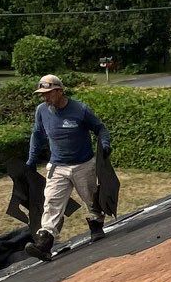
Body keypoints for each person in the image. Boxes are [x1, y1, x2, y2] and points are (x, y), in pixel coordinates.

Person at [26, 75, 112, 257]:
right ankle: (45, 241)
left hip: (84, 165)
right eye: (42, 94)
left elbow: (100, 128)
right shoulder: (41, 111)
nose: (45, 98)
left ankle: (96, 225)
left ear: (59, 91)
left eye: (48, 93)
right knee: (51, 202)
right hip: (58, 166)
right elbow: (37, 134)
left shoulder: (80, 109)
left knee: (92, 200)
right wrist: (31, 159)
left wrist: (105, 144)